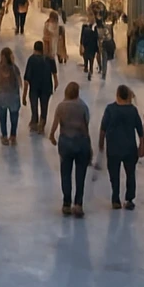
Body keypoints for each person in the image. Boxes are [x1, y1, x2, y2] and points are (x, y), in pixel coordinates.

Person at [99, 84, 144, 210]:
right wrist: (142, 146)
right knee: (130, 174)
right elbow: (140, 131)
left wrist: (101, 143)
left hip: (113, 149)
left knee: (114, 174)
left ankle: (116, 199)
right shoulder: (133, 110)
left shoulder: (110, 109)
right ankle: (129, 199)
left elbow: (103, 128)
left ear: (117, 95)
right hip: (130, 148)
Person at [49, 81, 91, 217]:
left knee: (65, 173)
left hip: (65, 143)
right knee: (80, 175)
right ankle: (78, 204)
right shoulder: (83, 106)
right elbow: (86, 125)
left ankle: (66, 203)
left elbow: (55, 124)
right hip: (80, 142)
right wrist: (88, 144)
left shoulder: (61, 107)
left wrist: (52, 136)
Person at [0, 47, 22, 145]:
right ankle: (13, 136)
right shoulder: (15, 69)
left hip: (1, 98)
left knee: (2, 118)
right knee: (14, 118)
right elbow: (20, 83)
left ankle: (4, 136)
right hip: (13, 98)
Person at [23, 40, 59, 134]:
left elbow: (27, 79)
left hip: (34, 88)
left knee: (34, 106)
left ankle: (34, 122)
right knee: (44, 106)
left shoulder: (31, 59)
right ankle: (42, 125)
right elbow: (54, 73)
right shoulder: (49, 59)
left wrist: (24, 95)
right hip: (46, 87)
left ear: (34, 49)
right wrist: (55, 83)